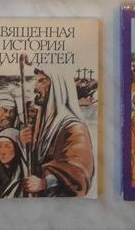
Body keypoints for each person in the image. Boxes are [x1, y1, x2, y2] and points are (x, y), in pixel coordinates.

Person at [19, 68, 95, 197]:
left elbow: (79, 174)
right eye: (36, 81)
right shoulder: (42, 124)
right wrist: (22, 143)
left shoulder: (75, 129)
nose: (35, 87)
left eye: (42, 81)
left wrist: (44, 183)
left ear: (58, 87)